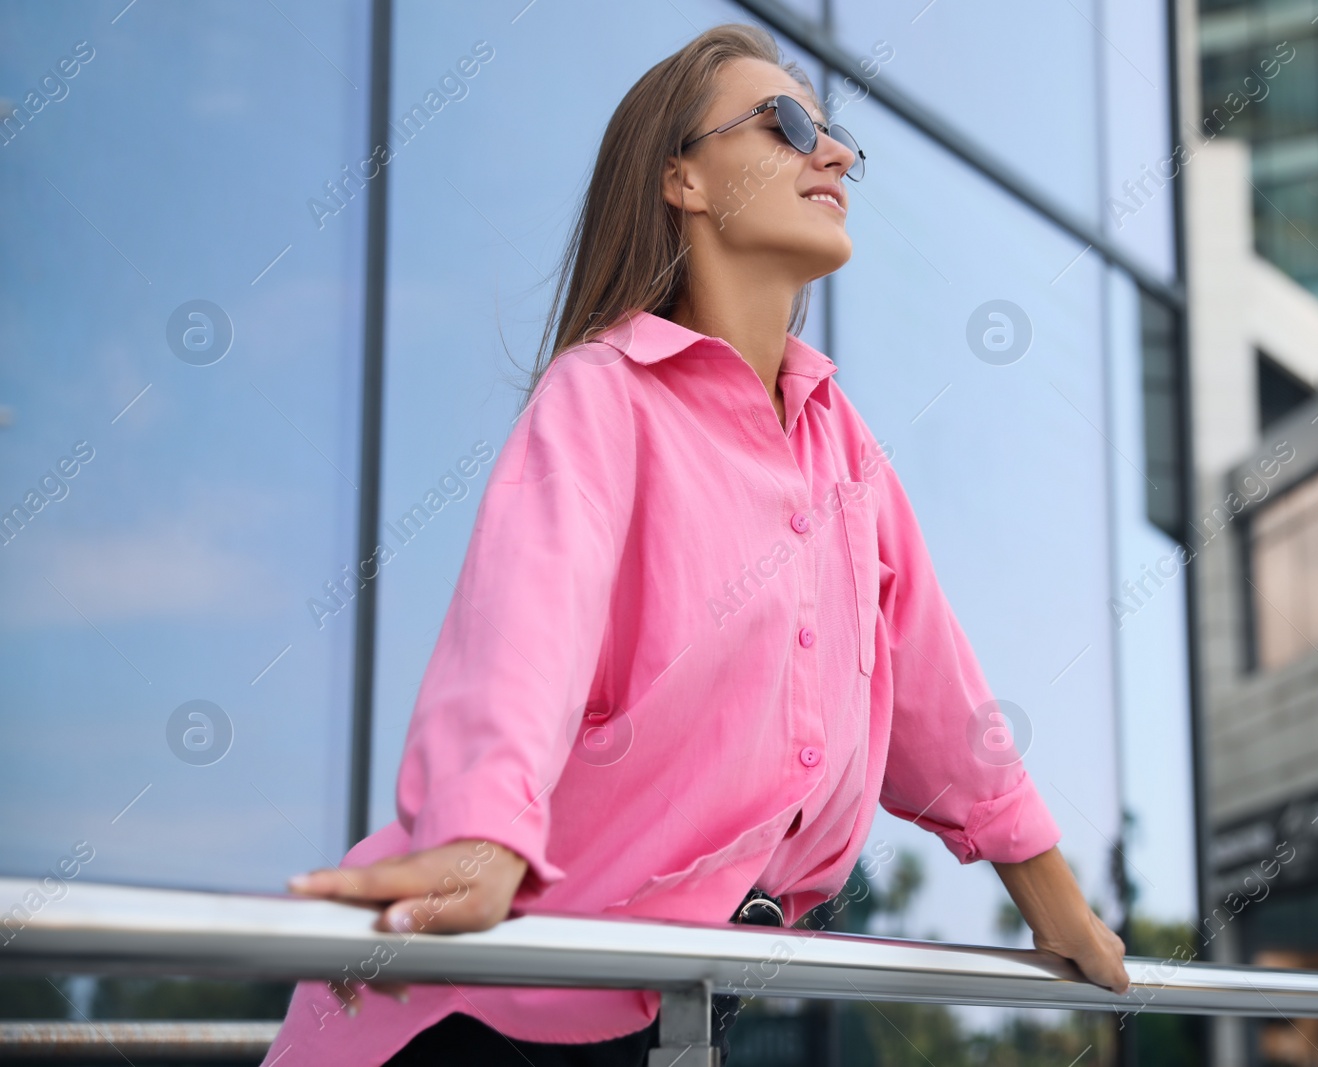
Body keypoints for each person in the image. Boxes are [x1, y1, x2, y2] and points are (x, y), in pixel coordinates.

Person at [260, 21, 1128, 1067]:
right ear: (683, 177)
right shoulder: (604, 395)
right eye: (788, 124)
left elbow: (942, 700)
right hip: (472, 1003)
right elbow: (524, 631)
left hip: (666, 1005)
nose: (835, 152)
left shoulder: (846, 450)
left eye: (836, 133)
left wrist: (1054, 901)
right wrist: (482, 833)